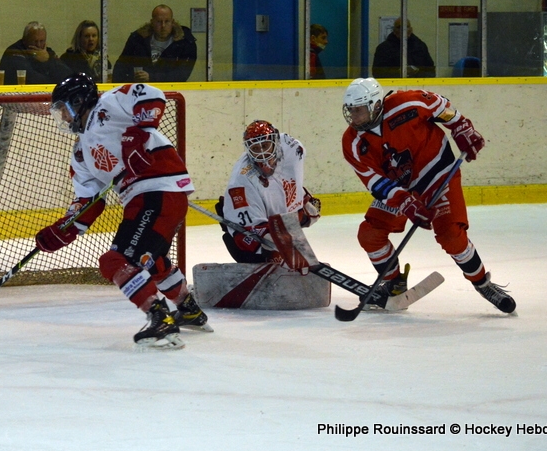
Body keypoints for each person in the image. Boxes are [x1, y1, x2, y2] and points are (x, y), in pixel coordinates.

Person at [37, 73, 210, 349]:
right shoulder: (80, 153)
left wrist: (138, 134)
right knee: (150, 259)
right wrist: (63, 229)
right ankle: (188, 309)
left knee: (115, 262)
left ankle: (160, 319)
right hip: (144, 199)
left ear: (80, 101)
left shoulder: (110, 103)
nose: (65, 119)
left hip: (157, 190)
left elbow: (152, 95)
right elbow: (88, 202)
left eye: (65, 110)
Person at [340, 77, 515, 313]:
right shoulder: (352, 142)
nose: (354, 116)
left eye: (359, 110)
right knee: (370, 234)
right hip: (402, 189)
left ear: (375, 105)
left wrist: (462, 127)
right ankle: (394, 284)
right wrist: (405, 202)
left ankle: (482, 283)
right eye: (351, 110)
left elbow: (441, 107)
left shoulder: (406, 103)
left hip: (439, 176)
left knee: (451, 235)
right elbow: (376, 182)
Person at [217, 120, 321, 264]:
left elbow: (285, 179)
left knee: (304, 216)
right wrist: (274, 250)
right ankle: (265, 260)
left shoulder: (292, 147)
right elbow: (247, 234)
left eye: (265, 145)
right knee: (264, 247)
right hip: (246, 237)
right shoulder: (240, 181)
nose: (262, 152)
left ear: (275, 142)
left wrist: (299, 203)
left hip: (273, 221)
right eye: (256, 148)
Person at [112, 5, 197, 83]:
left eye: (167, 21)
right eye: (159, 22)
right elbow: (121, 66)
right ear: (152, 22)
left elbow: (182, 74)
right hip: (139, 89)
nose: (163, 26)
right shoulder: (137, 39)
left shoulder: (185, 43)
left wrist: (152, 77)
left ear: (172, 22)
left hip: (170, 91)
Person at [0, 21, 72, 85]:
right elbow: (32, 79)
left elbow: (67, 76)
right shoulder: (14, 52)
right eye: (35, 41)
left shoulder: (47, 53)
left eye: (42, 41)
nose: (38, 45)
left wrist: (48, 60)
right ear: (25, 40)